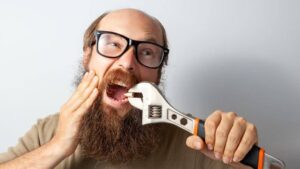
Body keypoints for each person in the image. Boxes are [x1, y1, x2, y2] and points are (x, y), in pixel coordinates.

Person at [0, 8, 257, 169]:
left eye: (146, 51)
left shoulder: (196, 143)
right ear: (87, 55)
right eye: (112, 44)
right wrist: (56, 147)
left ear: (158, 71)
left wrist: (239, 155)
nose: (127, 61)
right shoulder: (47, 132)